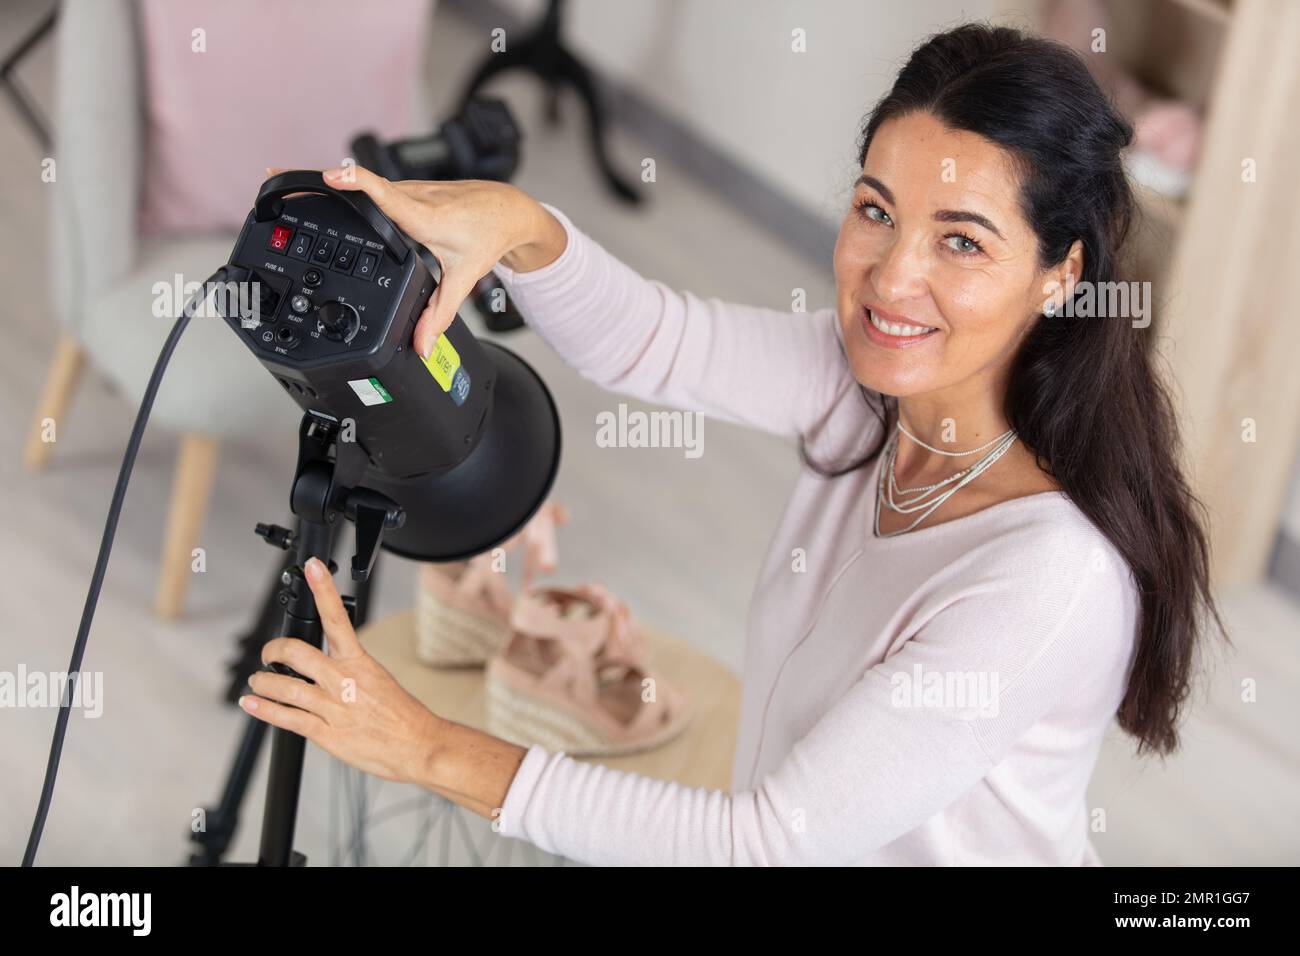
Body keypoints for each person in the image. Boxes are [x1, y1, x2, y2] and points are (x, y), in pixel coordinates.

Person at [239, 23, 1226, 865]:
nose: (890, 277)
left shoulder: (1045, 579)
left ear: (1061, 274)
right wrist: (523, 226)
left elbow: (767, 840)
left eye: (960, 241)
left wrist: (426, 748)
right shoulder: (878, 390)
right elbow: (656, 341)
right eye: (875, 210)